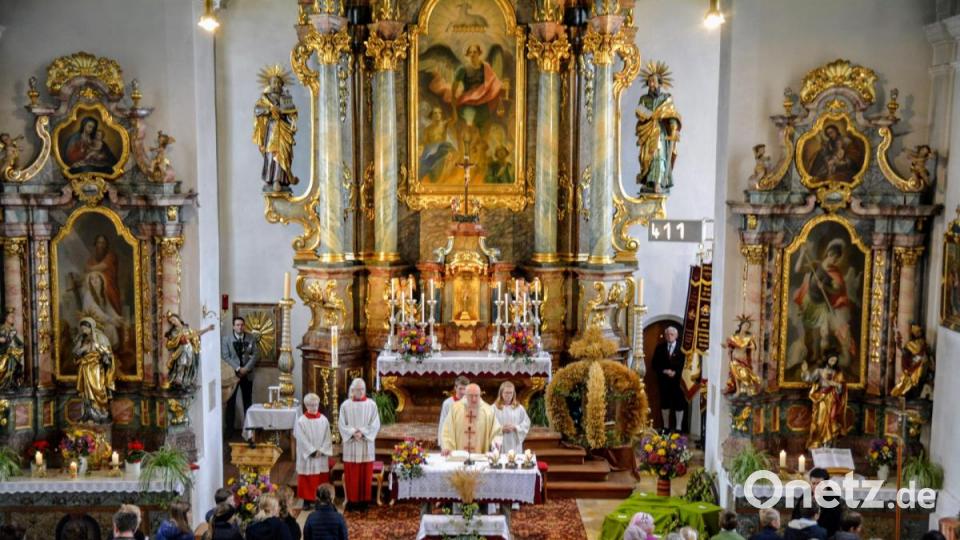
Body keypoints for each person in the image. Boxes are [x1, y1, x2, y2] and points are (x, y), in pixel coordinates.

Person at [635, 60, 681, 193]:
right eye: (649, 82)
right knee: (647, 159)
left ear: (660, 83)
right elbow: (639, 111)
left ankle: (657, 183)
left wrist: (673, 128)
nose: (651, 84)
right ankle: (649, 182)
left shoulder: (665, 99)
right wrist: (650, 115)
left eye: (654, 82)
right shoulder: (644, 99)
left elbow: (672, 115)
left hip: (660, 132)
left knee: (658, 156)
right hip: (647, 131)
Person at [253, 67, 299, 191]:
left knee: (285, 154)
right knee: (272, 153)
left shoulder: (285, 98)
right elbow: (257, 110)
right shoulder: (265, 99)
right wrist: (269, 109)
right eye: (274, 82)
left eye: (279, 83)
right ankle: (273, 179)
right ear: (270, 84)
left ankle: (284, 179)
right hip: (272, 129)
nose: (277, 85)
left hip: (284, 128)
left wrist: (293, 116)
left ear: (282, 85)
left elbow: (292, 112)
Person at [338, 378, 380, 510]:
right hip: (351, 444)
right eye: (358, 389)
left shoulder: (371, 405)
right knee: (352, 474)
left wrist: (362, 433)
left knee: (365, 474)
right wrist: (352, 432)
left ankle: (364, 502)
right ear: (352, 390)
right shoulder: (345, 405)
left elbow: (375, 423)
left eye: (363, 389)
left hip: (365, 443)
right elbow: (341, 424)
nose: (361, 392)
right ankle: (352, 502)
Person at [73, 317, 116, 423]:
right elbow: (75, 353)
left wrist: (106, 358)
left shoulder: (100, 337)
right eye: (82, 329)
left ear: (91, 327)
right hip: (85, 367)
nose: (83, 331)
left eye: (85, 328)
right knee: (86, 392)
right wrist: (81, 350)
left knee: (98, 389)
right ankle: (88, 412)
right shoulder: (82, 339)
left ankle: (101, 411)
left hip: (96, 368)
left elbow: (107, 353)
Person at [222, 316, 259, 436]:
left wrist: (246, 368)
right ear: (233, 326)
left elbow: (255, 355)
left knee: (248, 401)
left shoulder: (251, 338)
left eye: (242, 325)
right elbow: (225, 356)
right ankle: (229, 431)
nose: (240, 327)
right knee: (231, 402)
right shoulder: (226, 339)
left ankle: (249, 430)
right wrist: (238, 368)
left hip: (247, 375)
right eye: (237, 325)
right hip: (232, 375)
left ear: (244, 326)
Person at [295, 393, 333, 509]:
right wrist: (312, 451)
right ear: (306, 406)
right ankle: (307, 500)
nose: (314, 407)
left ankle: (320, 499)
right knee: (306, 477)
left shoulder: (324, 420)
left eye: (316, 404)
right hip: (308, 455)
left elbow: (328, 437)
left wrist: (321, 450)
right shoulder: (301, 421)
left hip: (320, 454)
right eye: (311, 405)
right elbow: (301, 439)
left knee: (320, 477)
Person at [441, 383, 502, 455]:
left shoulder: (488, 411)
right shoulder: (455, 409)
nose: (474, 399)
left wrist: (495, 443)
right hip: (459, 457)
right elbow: (447, 431)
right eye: (471, 396)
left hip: (480, 456)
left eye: (476, 395)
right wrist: (447, 447)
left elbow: (496, 432)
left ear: (480, 395)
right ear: (465, 395)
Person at [802, 354, 847, 449]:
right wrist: (805, 371)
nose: (833, 362)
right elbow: (809, 379)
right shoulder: (819, 371)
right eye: (831, 359)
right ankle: (818, 442)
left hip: (832, 399)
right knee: (819, 420)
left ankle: (828, 443)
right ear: (827, 359)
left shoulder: (837, 373)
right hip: (821, 397)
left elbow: (841, 389)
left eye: (835, 360)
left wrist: (836, 385)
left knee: (831, 420)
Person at [164, 312, 215, 390]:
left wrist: (208, 329)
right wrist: (180, 338)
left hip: (190, 350)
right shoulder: (174, 331)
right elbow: (174, 341)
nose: (173, 322)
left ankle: (186, 381)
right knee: (181, 364)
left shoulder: (187, 328)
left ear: (178, 318)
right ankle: (178, 380)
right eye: (171, 321)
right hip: (182, 350)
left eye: (173, 319)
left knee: (188, 365)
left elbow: (196, 333)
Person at [652, 326, 686, 431]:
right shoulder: (660, 348)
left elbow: (686, 366)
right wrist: (664, 371)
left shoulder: (682, 349)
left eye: (672, 334)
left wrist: (676, 373)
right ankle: (666, 427)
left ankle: (678, 428)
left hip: (678, 382)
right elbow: (654, 364)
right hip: (664, 382)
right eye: (667, 334)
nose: (669, 336)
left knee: (679, 403)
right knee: (665, 403)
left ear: (676, 336)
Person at [791, 468, 842, 536]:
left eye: (819, 484)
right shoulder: (807, 494)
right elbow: (795, 516)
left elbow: (833, 525)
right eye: (813, 483)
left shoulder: (833, 499)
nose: (815, 487)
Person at [492, 381, 530, 453]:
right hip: (500, 441)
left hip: (514, 442)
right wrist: (501, 429)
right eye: (506, 393)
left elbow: (526, 423)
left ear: (513, 394)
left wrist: (515, 427)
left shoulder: (519, 408)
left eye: (511, 393)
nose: (508, 395)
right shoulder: (494, 408)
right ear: (501, 393)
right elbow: (489, 425)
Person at [438, 376, 470, 445]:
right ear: (455, 388)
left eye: (465, 389)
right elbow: (443, 422)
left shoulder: (471, 403)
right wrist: (441, 442)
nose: (463, 392)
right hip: (451, 439)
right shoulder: (447, 403)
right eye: (460, 389)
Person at [0, 308, 25, 391]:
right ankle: (7, 382)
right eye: (11, 316)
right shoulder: (1, 328)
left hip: (10, 354)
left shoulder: (13, 330)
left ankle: (11, 382)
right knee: (10, 358)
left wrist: (23, 346)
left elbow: (18, 342)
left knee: (13, 357)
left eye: (13, 317)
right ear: (6, 317)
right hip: (2, 354)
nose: (13, 318)